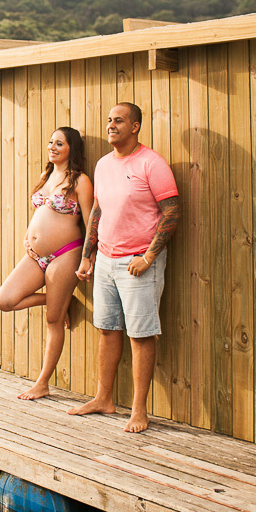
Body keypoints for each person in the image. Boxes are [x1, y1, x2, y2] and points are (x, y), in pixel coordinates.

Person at [68, 102, 180, 433]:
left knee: (140, 335)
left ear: (135, 127)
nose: (111, 125)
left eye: (119, 121)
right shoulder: (103, 165)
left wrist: (148, 257)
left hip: (139, 263)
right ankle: (103, 398)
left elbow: (172, 211)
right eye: (108, 120)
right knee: (106, 328)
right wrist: (88, 255)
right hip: (105, 259)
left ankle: (139, 410)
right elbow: (98, 212)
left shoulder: (151, 163)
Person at [0, 126, 93, 400]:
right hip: (35, 256)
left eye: (59, 143)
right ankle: (60, 302)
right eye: (50, 142)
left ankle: (42, 383)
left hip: (66, 253)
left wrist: (88, 256)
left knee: (52, 321)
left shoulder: (80, 181)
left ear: (72, 148)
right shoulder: (46, 175)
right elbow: (40, 211)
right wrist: (29, 235)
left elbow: (90, 221)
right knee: (3, 301)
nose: (52, 147)